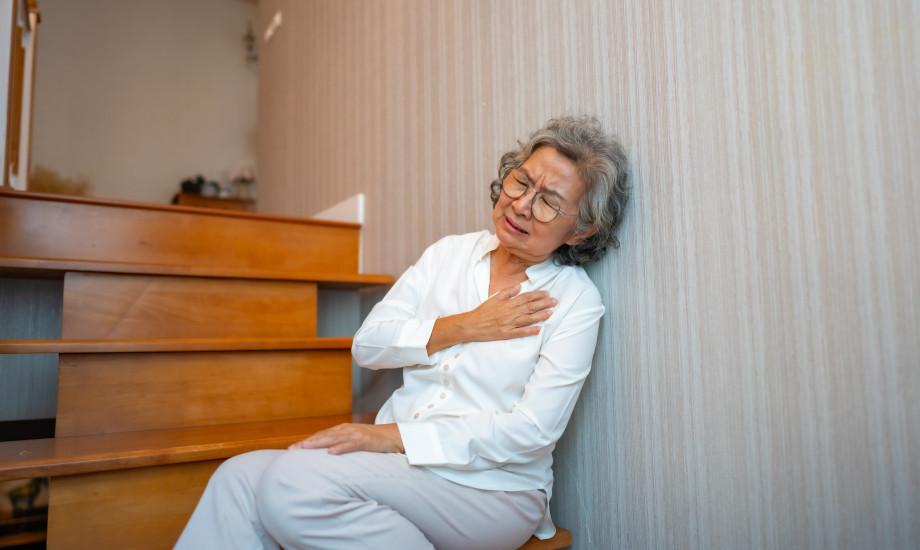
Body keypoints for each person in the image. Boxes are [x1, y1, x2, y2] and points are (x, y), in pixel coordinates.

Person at [175, 115, 630, 550]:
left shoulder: (575, 301)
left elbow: (532, 432)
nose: (522, 205)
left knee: (293, 483)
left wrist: (392, 437)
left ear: (581, 230)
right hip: (397, 465)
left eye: (549, 202)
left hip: (491, 488)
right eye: (522, 182)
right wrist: (464, 326)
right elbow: (368, 345)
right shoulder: (448, 255)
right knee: (238, 477)